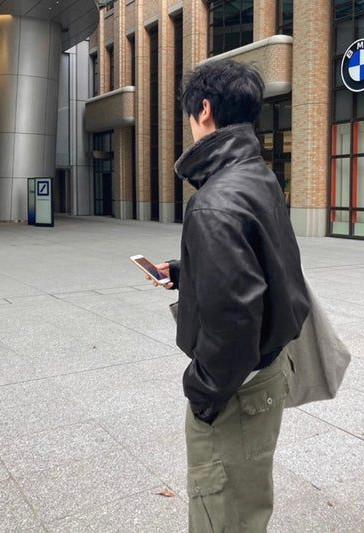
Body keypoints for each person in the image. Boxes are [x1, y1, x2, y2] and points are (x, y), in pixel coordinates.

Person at [153, 59, 309, 533]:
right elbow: (261, 259)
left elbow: (235, 323)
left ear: (203, 109)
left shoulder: (214, 201)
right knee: (247, 506)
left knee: (222, 515)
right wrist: (186, 272)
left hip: (237, 388)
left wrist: (201, 392)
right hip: (269, 369)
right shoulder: (257, 175)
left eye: (189, 114)